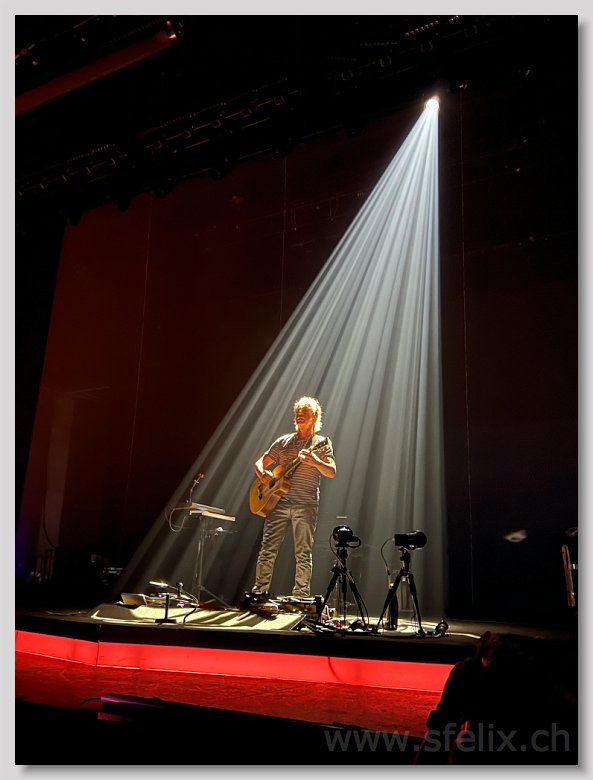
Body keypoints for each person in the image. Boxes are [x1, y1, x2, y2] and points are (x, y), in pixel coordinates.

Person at [251, 396, 336, 599]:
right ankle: (259, 592)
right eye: (297, 412)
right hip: (277, 503)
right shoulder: (283, 441)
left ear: (314, 416)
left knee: (303, 552)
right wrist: (262, 472)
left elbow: (332, 471)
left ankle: (300, 596)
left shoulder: (320, 443)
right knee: (267, 549)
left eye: (304, 412)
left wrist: (315, 461)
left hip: (305, 504)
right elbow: (260, 461)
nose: (299, 415)